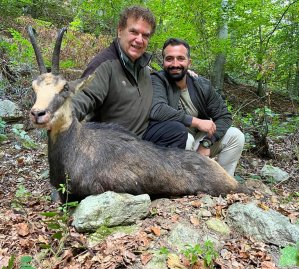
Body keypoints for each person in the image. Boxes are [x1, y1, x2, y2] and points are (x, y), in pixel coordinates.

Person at [146, 38, 245, 176]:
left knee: (236, 136)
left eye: (181, 58)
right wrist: (197, 122)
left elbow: (224, 116)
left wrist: (207, 143)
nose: (175, 64)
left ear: (189, 62)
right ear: (163, 62)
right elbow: (157, 109)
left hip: (197, 142)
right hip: (170, 143)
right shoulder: (157, 80)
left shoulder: (202, 86)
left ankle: (223, 183)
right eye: (169, 59)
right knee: (186, 137)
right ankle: (183, 184)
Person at [72, 6, 156, 137]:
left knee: (175, 132)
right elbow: (85, 96)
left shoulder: (143, 67)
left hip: (143, 139)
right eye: (134, 32)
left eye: (145, 35)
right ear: (120, 31)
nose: (140, 40)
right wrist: (63, 114)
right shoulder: (104, 65)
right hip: (113, 147)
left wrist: (186, 75)